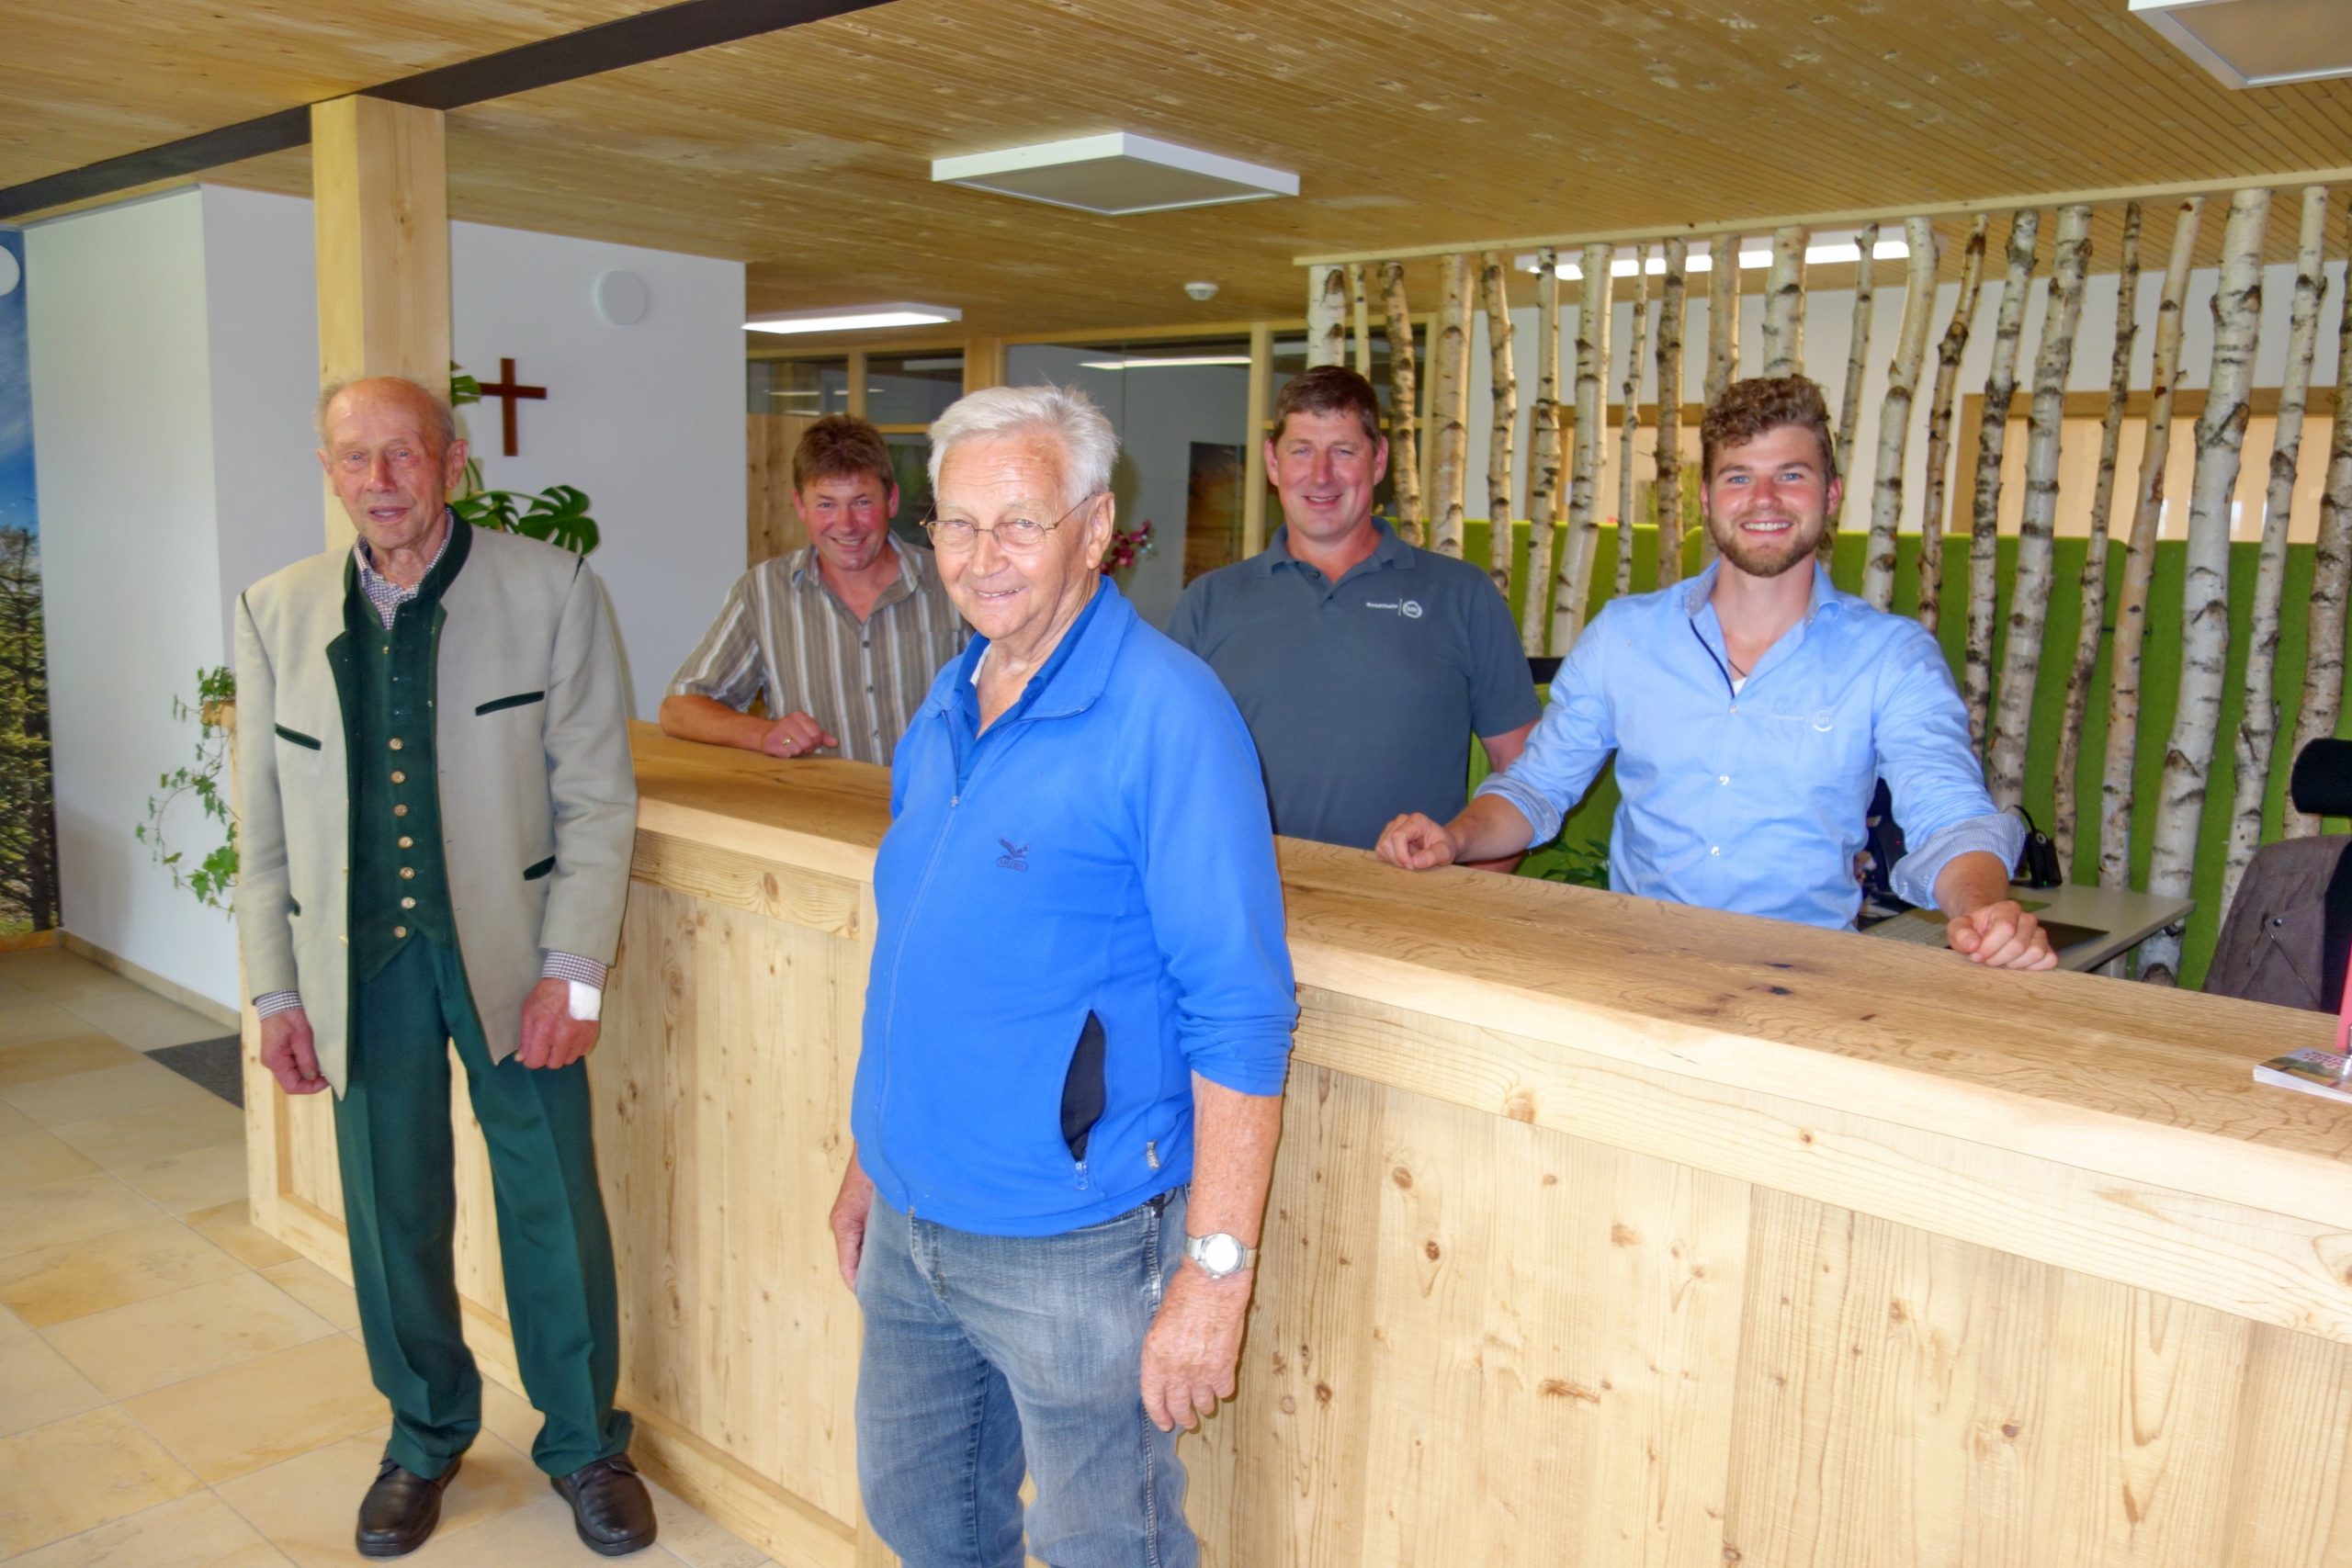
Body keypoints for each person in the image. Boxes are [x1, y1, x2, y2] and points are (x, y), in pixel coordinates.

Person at [827, 385, 1298, 1567]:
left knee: (1106, 1547)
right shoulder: (950, 698)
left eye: (1019, 524)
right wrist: (870, 1157)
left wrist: (1215, 1275)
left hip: (1074, 1242)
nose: (981, 557)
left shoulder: (1168, 715)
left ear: (1093, 531)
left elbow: (1240, 1009)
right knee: (922, 1520)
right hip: (912, 1219)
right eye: (956, 523)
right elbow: (922, 954)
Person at [234, 377, 657, 1557]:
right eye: (354, 457)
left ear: (452, 462)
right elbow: (263, 824)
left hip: (518, 965)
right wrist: (276, 990)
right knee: (391, 1211)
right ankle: (423, 1435)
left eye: (403, 454)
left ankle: (585, 1442)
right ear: (328, 470)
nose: (379, 480)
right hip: (361, 967)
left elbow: (597, 799)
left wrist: (573, 973)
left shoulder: (551, 589)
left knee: (552, 1202)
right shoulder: (274, 612)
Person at [1375, 375, 2056, 970]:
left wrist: (1984, 910)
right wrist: (1455, 837)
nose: (1764, 498)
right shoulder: (1624, 636)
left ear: (1831, 494)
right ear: (1705, 497)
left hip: (1805, 984)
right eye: (1738, 477)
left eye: (1791, 474)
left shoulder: (1891, 656)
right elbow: (1534, 788)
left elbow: (1949, 816)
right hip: (1635, 972)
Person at [1169, 365, 1539, 854]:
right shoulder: (1208, 602)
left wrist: (1468, 886)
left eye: (1343, 451)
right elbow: (1164, 770)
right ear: (1273, 462)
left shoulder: (1462, 596)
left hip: (1406, 897)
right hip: (1242, 894)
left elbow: (1527, 777)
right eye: (1301, 450)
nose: (1321, 475)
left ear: (1379, 460)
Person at [661, 413, 967, 763]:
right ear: (800, 506)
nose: (846, 525)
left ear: (892, 500)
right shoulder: (763, 593)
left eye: (862, 502)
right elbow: (678, 709)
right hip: (821, 799)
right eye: (826, 504)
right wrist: (762, 733)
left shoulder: (954, 580)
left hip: (941, 797)